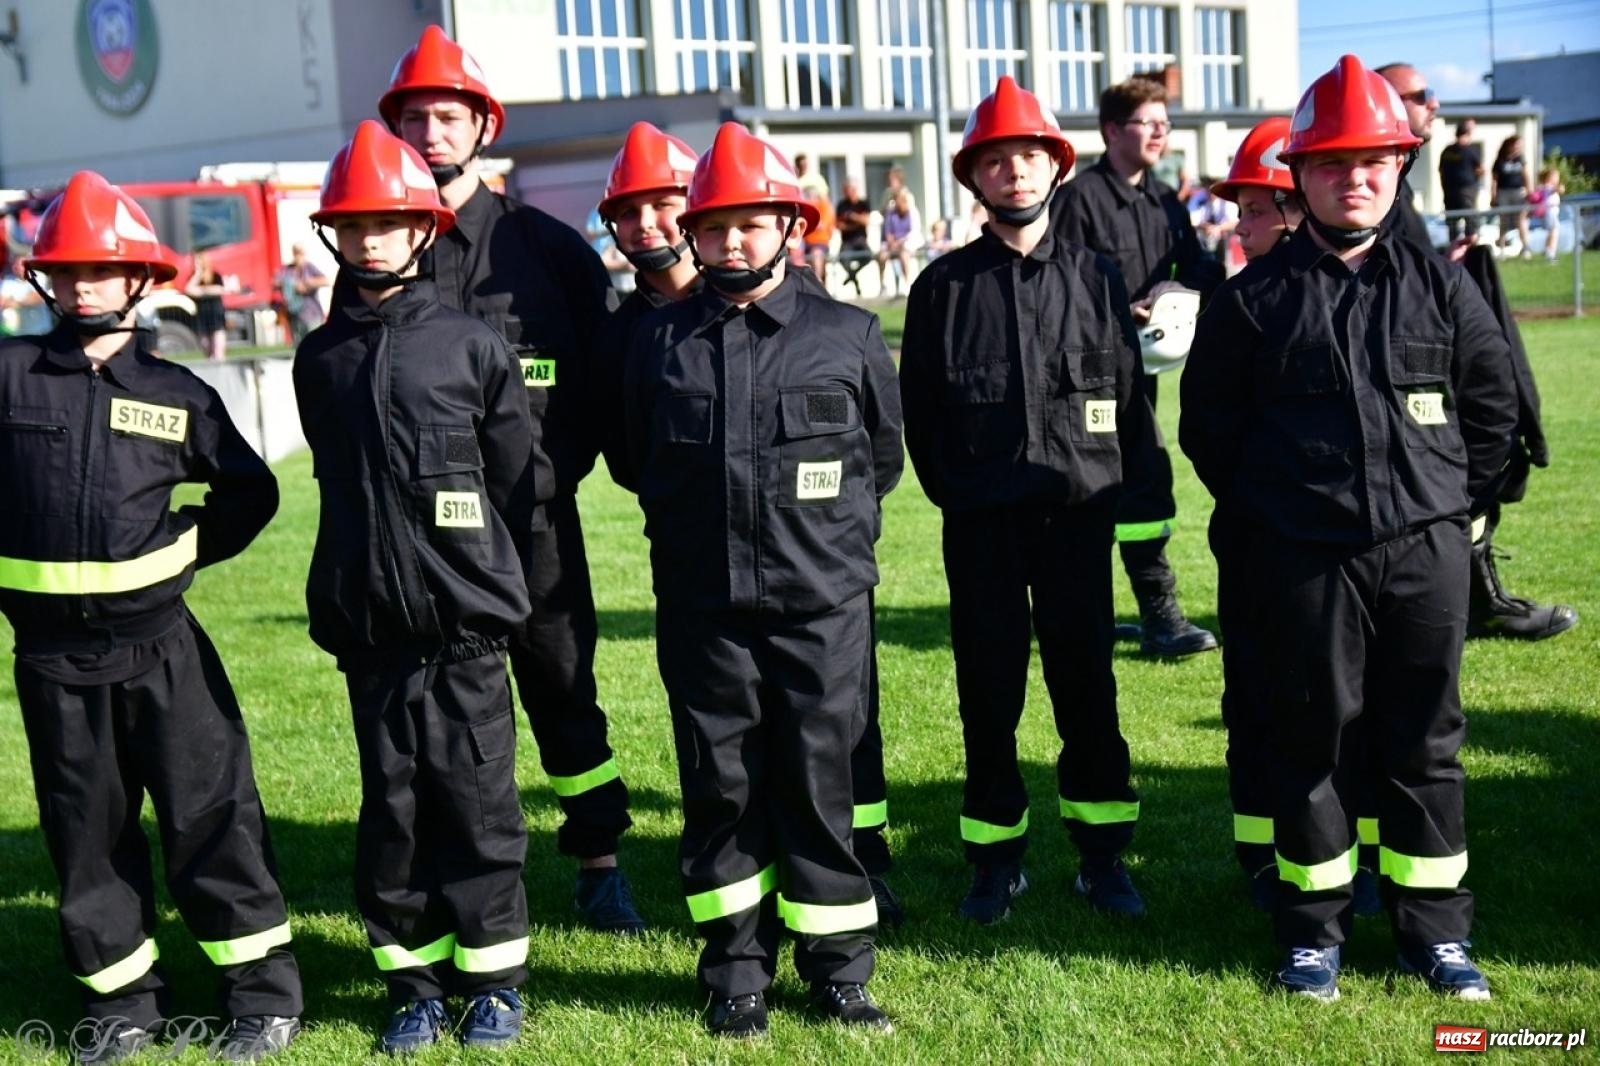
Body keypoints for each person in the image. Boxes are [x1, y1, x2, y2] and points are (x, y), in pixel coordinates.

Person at [1181, 54, 1520, 1003]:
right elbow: (1210, 431)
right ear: (1300, 175)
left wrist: (1447, 502)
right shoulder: (1251, 301)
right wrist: (1285, 515)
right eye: (1333, 163)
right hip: (1305, 560)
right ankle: (1312, 936)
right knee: (1310, 742)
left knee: (1425, 740)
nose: (1356, 177)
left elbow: (1489, 410)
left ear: (1401, 166)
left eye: (1374, 160)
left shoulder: (1441, 287)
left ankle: (1436, 936)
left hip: (1424, 552)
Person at [3, 171, 302, 1062]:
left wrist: (184, 552)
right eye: (66, 270)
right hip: (52, 659)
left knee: (212, 816)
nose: (83, 284)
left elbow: (250, 493)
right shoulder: (10, 379)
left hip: (159, 646)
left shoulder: (178, 393)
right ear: (43, 281)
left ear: (140, 280)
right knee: (84, 830)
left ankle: (260, 997)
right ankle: (121, 1003)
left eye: (103, 268)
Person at [617, 121, 901, 1039]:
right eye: (714, 226)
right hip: (704, 610)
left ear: (789, 225)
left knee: (822, 782)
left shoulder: (849, 334)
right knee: (721, 787)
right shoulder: (658, 342)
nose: (731, 242)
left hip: (821, 604)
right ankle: (735, 972)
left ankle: (838, 971)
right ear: (691, 235)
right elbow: (632, 458)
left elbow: (882, 458)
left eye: (750, 223)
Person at [381, 25, 645, 933]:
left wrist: (553, 477)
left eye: (447, 115)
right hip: (424, 537)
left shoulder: (547, 249)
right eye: (415, 116)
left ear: (481, 125)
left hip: (532, 524)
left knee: (564, 691)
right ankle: (462, 872)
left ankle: (600, 860)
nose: (430, 131)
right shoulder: (380, 252)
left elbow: (601, 377)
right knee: (442, 709)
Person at [294, 121, 537, 1054]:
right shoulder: (322, 360)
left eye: (388, 223)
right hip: (374, 636)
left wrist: (474, 576)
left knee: (480, 811)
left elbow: (514, 481)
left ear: (423, 228)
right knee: (392, 813)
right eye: (353, 226)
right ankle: (414, 986)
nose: (370, 241)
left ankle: (494, 986)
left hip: (466, 632)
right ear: (334, 235)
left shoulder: (474, 347)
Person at [901, 76, 1154, 927]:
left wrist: (1114, 500)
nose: (1014, 173)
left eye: (1029, 156)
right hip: (982, 530)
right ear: (975, 177)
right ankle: (994, 857)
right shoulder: (942, 289)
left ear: (1056, 165)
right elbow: (923, 419)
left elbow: (1127, 403)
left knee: (1088, 687)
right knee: (989, 692)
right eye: (996, 161)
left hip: (1078, 524)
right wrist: (968, 499)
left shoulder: (1098, 277)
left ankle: (1103, 855)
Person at [1205, 118, 1383, 917]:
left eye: (1250, 212)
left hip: (1344, 554)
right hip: (1256, 543)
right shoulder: (1245, 305)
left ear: (1289, 211)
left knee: (1355, 708)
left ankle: (1366, 854)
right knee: (1257, 700)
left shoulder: (1373, 287)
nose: (1238, 228)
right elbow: (1210, 432)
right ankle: (1264, 851)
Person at [1380, 64, 1577, 641]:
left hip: (1433, 353)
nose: (1434, 104)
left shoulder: (1404, 183)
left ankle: (1472, 595)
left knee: (1483, 453)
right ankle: (1471, 602)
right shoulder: (1376, 187)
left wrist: (1449, 262)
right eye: (1421, 96)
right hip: (1410, 368)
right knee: (1454, 470)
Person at [1050, 76, 1221, 657]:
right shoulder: (1078, 200)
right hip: (1085, 375)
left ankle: (1127, 613)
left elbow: (1202, 267)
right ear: (1110, 131)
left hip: (1141, 373)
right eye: (1147, 122)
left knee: (1139, 479)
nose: (1160, 132)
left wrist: (1179, 285)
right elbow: (1057, 288)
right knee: (1114, 484)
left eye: (1164, 123)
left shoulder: (1166, 200)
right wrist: (1120, 308)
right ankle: (1152, 613)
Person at [1438, 119, 1484, 242]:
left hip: (1449, 190)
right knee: (1470, 219)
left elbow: (1441, 170)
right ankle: (1470, 245)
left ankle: (1454, 246)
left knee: (1453, 221)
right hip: (1466, 190)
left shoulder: (1447, 151)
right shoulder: (1470, 150)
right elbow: (1481, 169)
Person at [277, 243, 329, 345]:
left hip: (312, 314)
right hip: (295, 315)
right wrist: (292, 284)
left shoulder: (309, 267)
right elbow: (276, 281)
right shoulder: (288, 269)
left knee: (316, 345)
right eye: (296, 253)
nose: (299, 256)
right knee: (299, 347)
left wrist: (307, 284)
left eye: (301, 253)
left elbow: (326, 280)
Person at [1490, 135, 1531, 257]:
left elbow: (1526, 175)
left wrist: (1529, 191)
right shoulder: (1500, 160)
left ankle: (1525, 248)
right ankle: (1501, 249)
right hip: (1503, 192)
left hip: (1519, 192)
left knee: (1521, 220)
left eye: (1520, 145)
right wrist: (1493, 196)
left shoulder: (1520, 159)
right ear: (1509, 145)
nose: (1518, 147)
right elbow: (1494, 180)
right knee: (1504, 221)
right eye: (1516, 144)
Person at [833, 178, 874, 295]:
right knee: (842, 259)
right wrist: (855, 224)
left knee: (869, 257)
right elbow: (839, 225)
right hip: (847, 241)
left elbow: (866, 220)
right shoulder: (842, 205)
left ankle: (851, 275)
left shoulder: (863, 203)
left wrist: (853, 217)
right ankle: (854, 279)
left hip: (860, 240)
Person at [186, 249, 227, 361]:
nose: (196, 264)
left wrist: (201, 291)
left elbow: (219, 289)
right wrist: (198, 275)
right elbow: (189, 290)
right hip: (202, 317)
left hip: (215, 315)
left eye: (198, 261)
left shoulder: (215, 276)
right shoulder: (193, 278)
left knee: (218, 349)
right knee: (206, 347)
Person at [875, 188, 918, 296]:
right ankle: (882, 285)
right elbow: (888, 232)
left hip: (906, 244)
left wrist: (899, 242)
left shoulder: (911, 212)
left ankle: (907, 285)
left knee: (904, 255)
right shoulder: (891, 213)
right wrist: (892, 242)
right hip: (892, 244)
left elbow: (912, 232)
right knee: (881, 256)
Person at [1527, 167, 1563, 262]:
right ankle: (1550, 252)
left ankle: (1548, 249)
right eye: (1555, 177)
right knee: (1554, 231)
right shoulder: (1546, 187)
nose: (1557, 179)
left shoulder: (1544, 187)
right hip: (1549, 212)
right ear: (1549, 178)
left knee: (1552, 232)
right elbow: (1552, 191)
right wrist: (1558, 189)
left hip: (1551, 213)